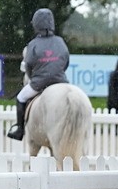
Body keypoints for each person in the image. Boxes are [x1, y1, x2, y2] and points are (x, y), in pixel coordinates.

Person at [6, 8, 70, 141]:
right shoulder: (60, 41)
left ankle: (20, 129)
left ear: (36, 24)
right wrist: (58, 73)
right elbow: (66, 60)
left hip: (39, 82)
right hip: (61, 81)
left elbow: (28, 65)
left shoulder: (33, 44)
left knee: (21, 98)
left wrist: (34, 78)